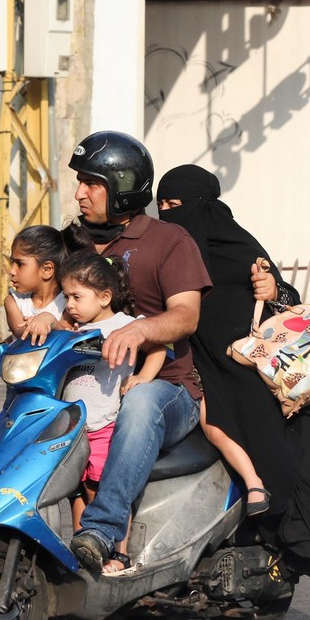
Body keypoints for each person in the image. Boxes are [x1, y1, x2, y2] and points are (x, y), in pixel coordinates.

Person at [155, 164, 310, 582]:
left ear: (204, 207)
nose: (170, 214)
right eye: (164, 206)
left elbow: (288, 302)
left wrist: (271, 290)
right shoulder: (167, 248)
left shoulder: (237, 243)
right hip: (203, 364)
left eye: (178, 205)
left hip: (258, 363)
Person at [63, 131, 213, 575]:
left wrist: (141, 329)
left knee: (140, 401)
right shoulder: (74, 243)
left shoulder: (170, 240)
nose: (79, 193)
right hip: (86, 377)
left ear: (123, 186)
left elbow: (186, 316)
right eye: (80, 182)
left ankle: (104, 530)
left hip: (166, 385)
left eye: (92, 183)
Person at [57, 248, 167, 574]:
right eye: (66, 297)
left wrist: (143, 377)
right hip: (73, 426)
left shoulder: (127, 326)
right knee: (77, 488)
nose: (70, 305)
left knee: (106, 488)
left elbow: (159, 347)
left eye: (77, 297)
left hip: (105, 425)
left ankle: (119, 553)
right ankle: (84, 546)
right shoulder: (73, 330)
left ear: (105, 297)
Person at [0, 225, 72, 376]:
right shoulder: (14, 302)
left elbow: (67, 337)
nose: (12, 271)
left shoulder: (69, 302)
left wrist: (48, 319)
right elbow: (24, 338)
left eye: (20, 264)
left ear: (47, 269)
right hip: (21, 389)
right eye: (12, 262)